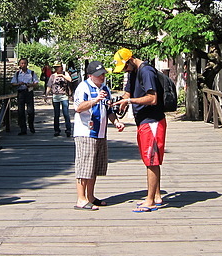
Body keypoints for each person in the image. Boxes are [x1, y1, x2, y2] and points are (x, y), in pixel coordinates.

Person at [112, 48, 167, 212]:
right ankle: (156, 196)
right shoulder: (133, 72)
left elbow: (152, 98)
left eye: (124, 67)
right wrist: (121, 101)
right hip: (143, 121)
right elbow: (128, 92)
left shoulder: (146, 71)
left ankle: (150, 201)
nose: (124, 70)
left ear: (130, 60)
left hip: (152, 121)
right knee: (149, 159)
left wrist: (130, 101)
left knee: (152, 160)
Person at [72, 60, 125, 210]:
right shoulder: (83, 87)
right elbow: (78, 107)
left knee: (94, 167)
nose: (102, 77)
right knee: (84, 166)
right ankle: (81, 199)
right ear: (90, 75)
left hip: (100, 133)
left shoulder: (105, 88)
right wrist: (95, 100)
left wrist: (116, 122)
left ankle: (91, 196)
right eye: (99, 75)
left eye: (103, 74)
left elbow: (109, 110)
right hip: (85, 133)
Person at [10, 58, 38, 134]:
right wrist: (19, 84)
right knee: (21, 111)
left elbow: (36, 83)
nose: (23, 65)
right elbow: (12, 83)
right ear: (19, 64)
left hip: (29, 92)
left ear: (27, 64)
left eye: (24, 63)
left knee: (30, 111)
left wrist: (30, 85)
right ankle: (23, 129)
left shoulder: (31, 73)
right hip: (21, 93)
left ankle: (31, 125)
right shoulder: (17, 74)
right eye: (21, 63)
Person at [45, 61, 73, 137]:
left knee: (66, 113)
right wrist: (46, 95)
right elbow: (49, 86)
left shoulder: (65, 73)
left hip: (64, 95)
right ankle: (56, 130)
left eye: (58, 67)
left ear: (61, 67)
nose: (56, 68)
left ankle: (68, 129)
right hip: (55, 96)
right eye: (55, 67)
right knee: (56, 114)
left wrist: (62, 76)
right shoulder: (52, 76)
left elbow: (70, 79)